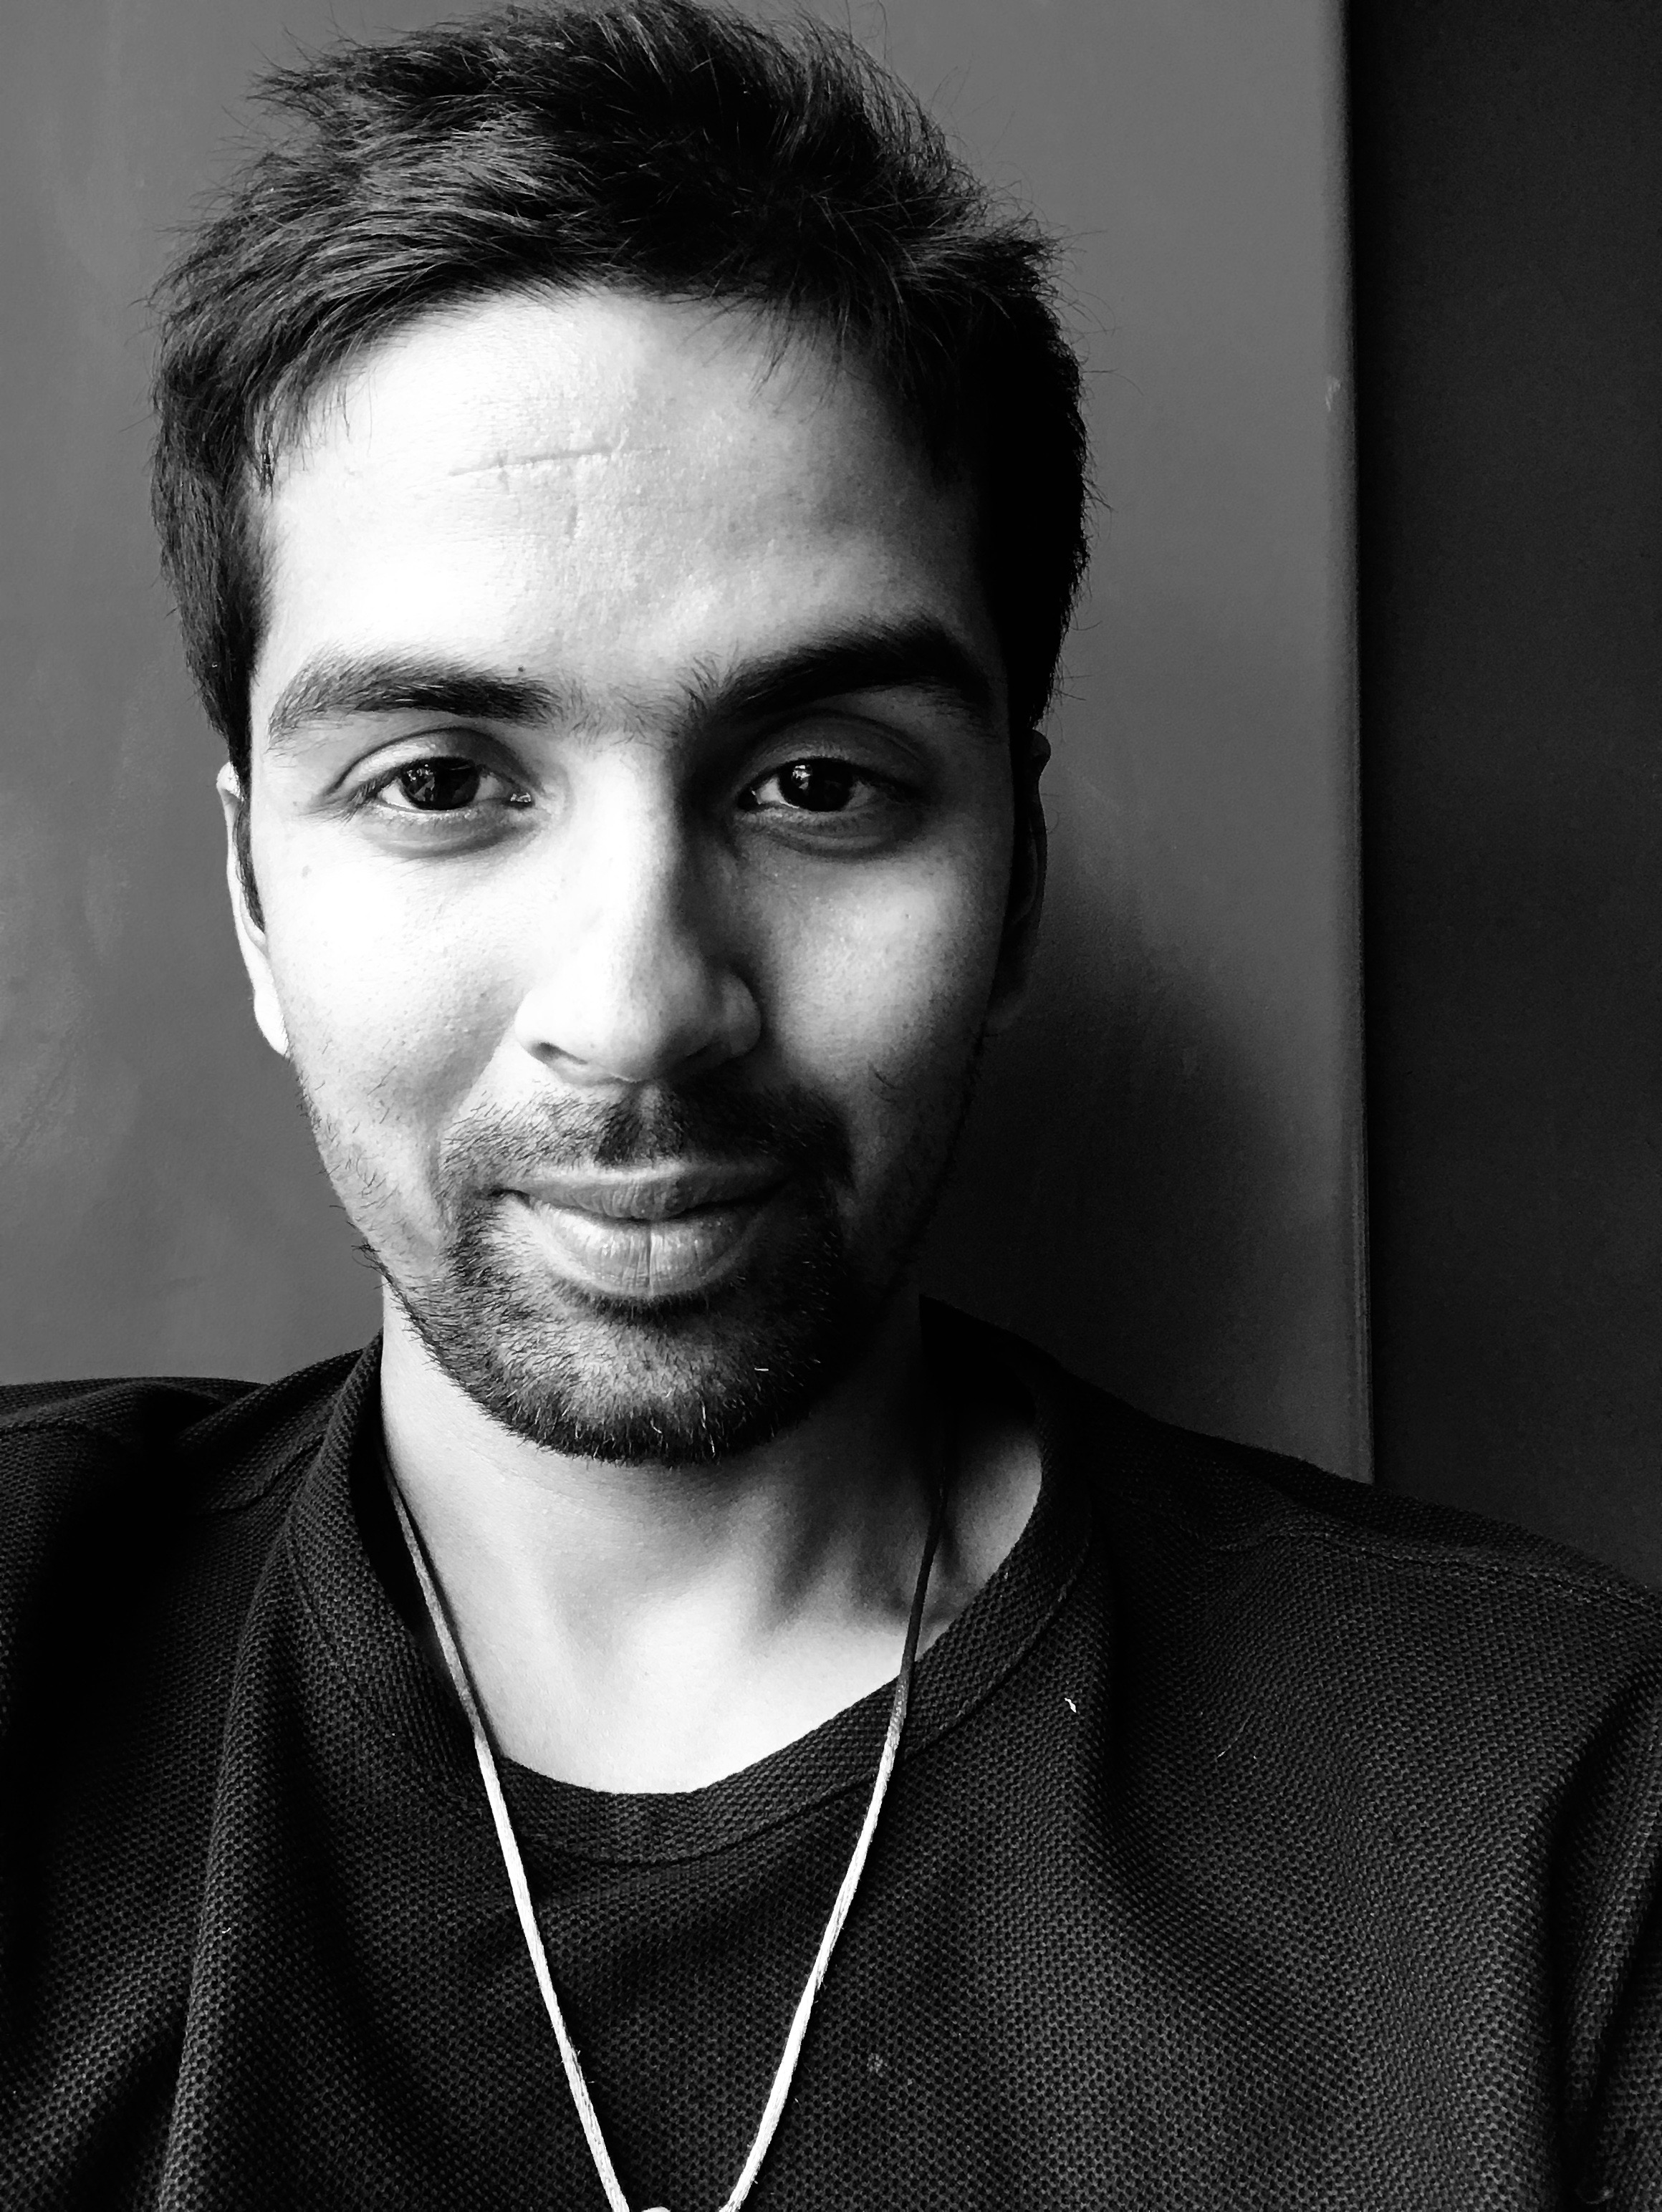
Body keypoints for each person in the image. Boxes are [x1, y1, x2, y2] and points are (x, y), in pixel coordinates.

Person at [1, 1, 1658, 2203]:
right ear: (250, 901)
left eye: (815, 784)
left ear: (1016, 875)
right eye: (439, 782)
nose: (638, 1010)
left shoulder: (1547, 1826)